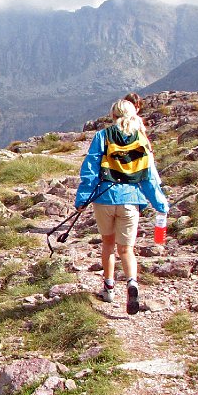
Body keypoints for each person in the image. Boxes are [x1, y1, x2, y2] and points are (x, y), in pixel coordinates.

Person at [74, 99, 169, 315]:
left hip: (104, 199)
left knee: (108, 244)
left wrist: (82, 200)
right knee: (127, 249)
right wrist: (160, 204)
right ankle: (132, 284)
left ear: (113, 116)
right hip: (130, 199)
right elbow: (149, 177)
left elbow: (90, 169)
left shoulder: (102, 136)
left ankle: (108, 288)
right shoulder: (141, 139)